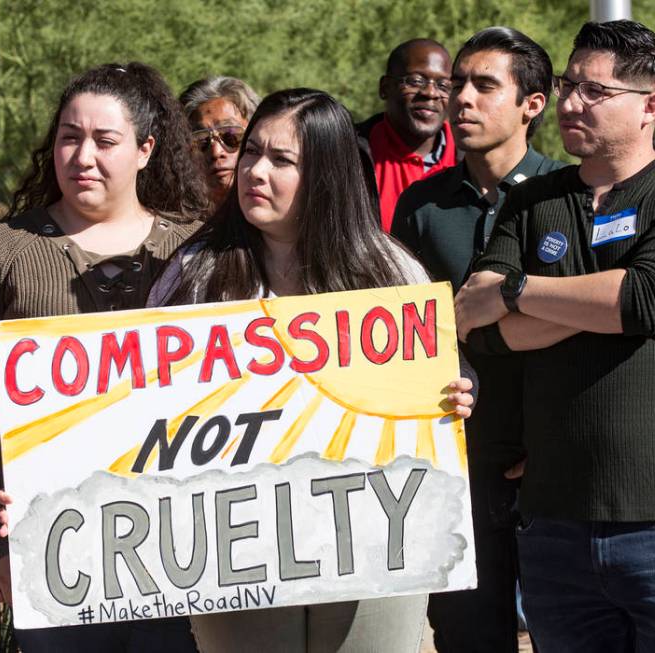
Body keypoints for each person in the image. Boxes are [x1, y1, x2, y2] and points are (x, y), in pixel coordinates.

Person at [146, 88, 476, 652]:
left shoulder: (390, 271)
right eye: (252, 151)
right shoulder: (194, 274)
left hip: (373, 543)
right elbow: (138, 402)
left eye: (282, 160)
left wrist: (458, 394)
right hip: (239, 546)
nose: (253, 170)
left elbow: (438, 373)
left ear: (325, 175)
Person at [454, 20, 655, 651]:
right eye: (567, 85)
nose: (570, 101)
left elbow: (643, 298)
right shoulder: (531, 203)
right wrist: (616, 303)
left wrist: (517, 291)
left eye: (593, 90)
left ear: (650, 106)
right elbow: (479, 328)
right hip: (556, 522)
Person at [0, 62, 204, 651]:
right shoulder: (3, 252)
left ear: (145, 149)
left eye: (105, 141)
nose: (83, 155)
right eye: (69, 136)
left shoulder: (198, 248)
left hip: (187, 551)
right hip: (52, 547)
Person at [391, 26, 562, 653]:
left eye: (483, 85)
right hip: (456, 469)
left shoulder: (570, 198)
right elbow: (408, 335)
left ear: (533, 104)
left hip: (556, 468)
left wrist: (548, 442)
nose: (459, 98)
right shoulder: (421, 206)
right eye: (457, 83)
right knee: (466, 636)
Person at [355, 38, 458, 232]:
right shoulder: (349, 154)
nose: (430, 93)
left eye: (443, 86)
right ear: (385, 88)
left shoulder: (472, 159)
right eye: (415, 81)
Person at [180, 76, 260, 212]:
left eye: (230, 135)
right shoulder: (177, 228)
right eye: (201, 140)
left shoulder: (283, 224)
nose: (216, 152)